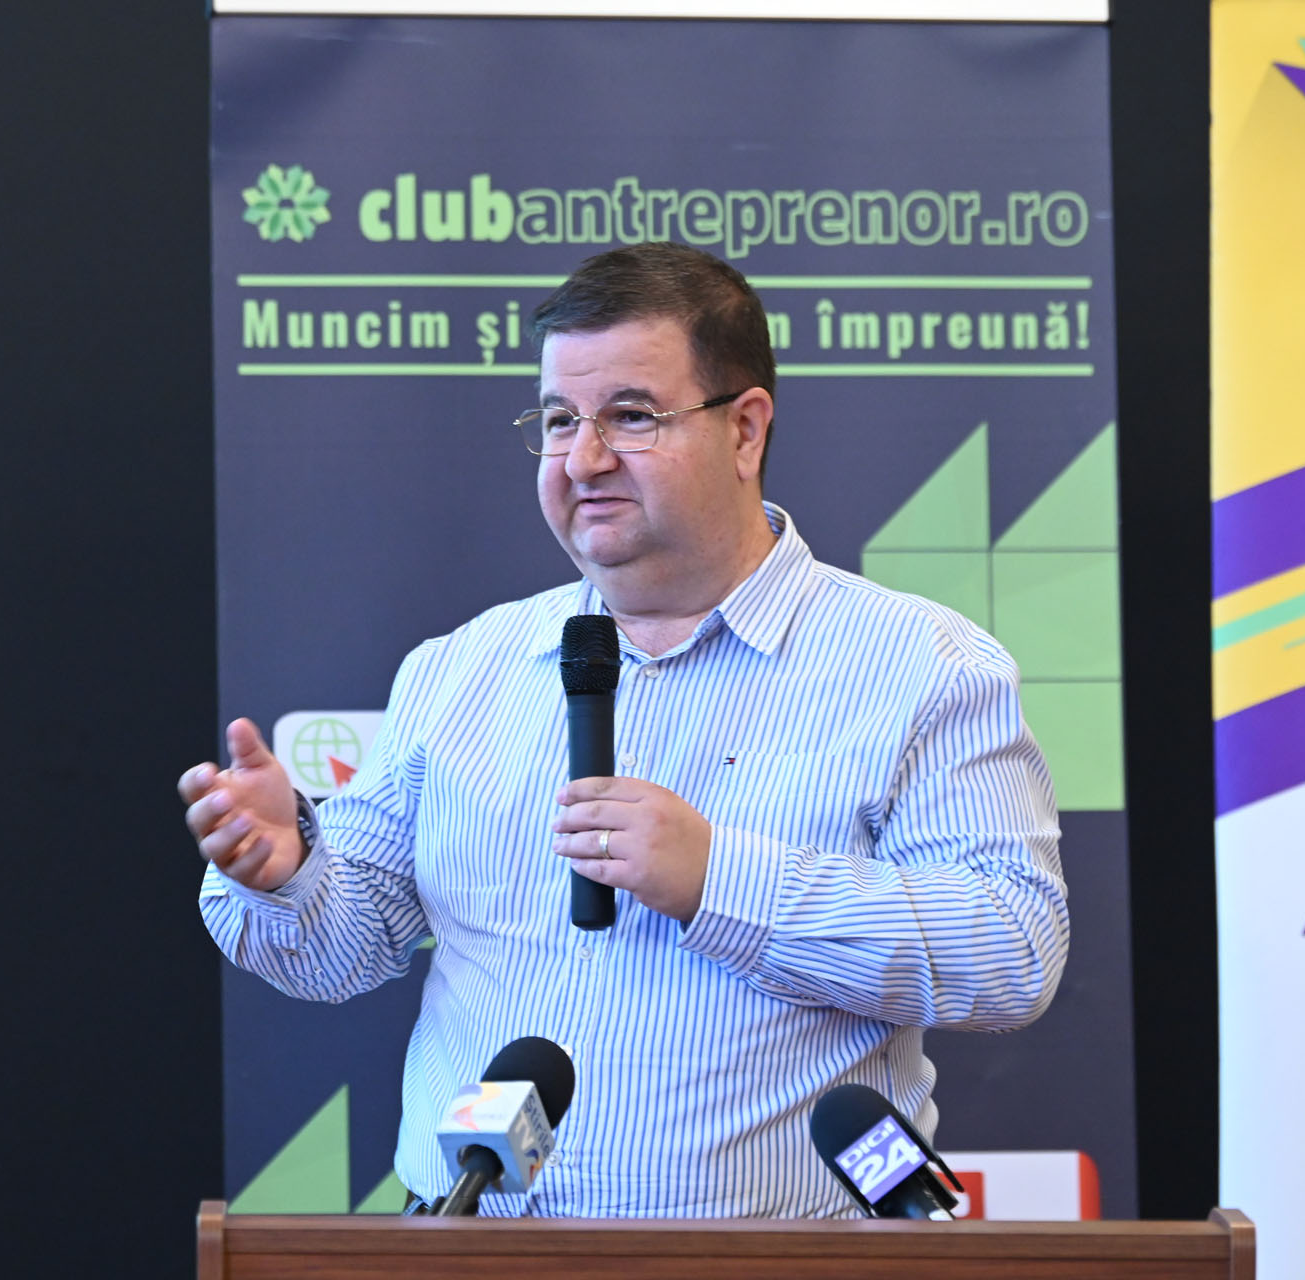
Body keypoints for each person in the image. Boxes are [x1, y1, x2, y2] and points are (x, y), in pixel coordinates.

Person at [180, 242, 1067, 1218]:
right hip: (470, 1251)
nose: (583, 458)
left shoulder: (924, 666)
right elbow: (342, 948)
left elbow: (1012, 950)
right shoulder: (460, 669)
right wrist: (286, 871)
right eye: (560, 419)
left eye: (631, 416)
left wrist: (721, 879)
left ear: (745, 429)